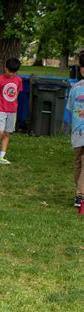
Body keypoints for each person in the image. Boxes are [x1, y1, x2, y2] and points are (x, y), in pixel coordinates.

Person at [0, 58, 22, 165]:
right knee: (0, 132)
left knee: (7, 133)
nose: (11, 74)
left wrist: (14, 106)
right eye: (9, 71)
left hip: (12, 111)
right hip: (1, 110)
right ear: (5, 68)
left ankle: (1, 156)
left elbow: (17, 94)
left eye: (13, 72)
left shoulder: (18, 80)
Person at [67, 53, 84, 207]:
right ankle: (80, 195)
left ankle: (79, 194)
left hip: (78, 132)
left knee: (80, 163)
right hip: (78, 132)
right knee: (79, 163)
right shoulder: (76, 88)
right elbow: (72, 108)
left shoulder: (75, 88)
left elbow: (70, 108)